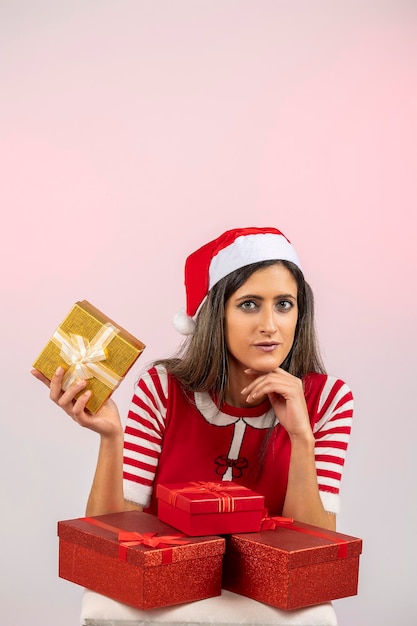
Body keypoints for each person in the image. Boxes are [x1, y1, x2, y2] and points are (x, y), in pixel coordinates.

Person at [33, 226, 353, 532]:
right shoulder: (163, 389)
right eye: (249, 304)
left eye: (284, 304)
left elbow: (313, 558)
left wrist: (301, 437)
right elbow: (109, 543)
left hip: (264, 591)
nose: (269, 325)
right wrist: (112, 438)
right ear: (216, 315)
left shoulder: (328, 400)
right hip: (167, 584)